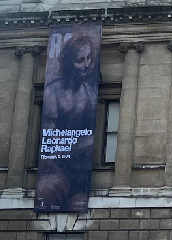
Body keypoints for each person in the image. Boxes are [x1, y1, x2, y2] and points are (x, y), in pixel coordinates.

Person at [36, 33, 98, 211]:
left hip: (82, 173)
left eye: (88, 58)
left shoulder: (90, 96)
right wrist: (78, 146)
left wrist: (75, 146)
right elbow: (50, 141)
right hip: (56, 168)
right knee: (46, 191)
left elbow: (91, 139)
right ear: (68, 61)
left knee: (76, 203)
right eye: (80, 60)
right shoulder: (51, 92)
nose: (86, 65)